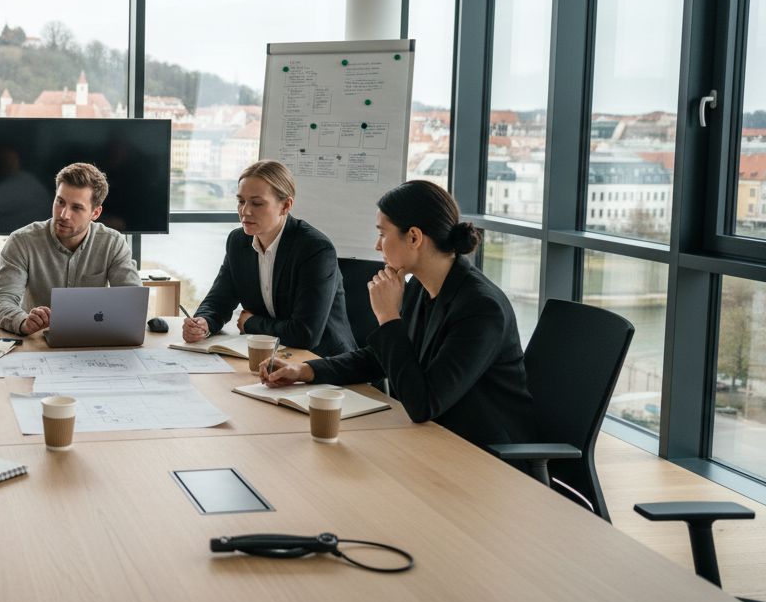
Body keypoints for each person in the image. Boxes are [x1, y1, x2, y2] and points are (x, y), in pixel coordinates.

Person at [260, 180, 534, 449]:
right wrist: (305, 370)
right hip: (433, 439)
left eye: (382, 233)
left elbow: (423, 404)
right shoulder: (420, 288)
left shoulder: (481, 308)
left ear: (414, 237)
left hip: (483, 456)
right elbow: (378, 357)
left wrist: (388, 317)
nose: (377, 246)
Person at [183, 160, 357, 357]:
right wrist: (203, 323)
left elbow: (305, 334)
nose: (245, 211)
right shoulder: (238, 242)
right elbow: (218, 301)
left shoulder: (314, 249)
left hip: (322, 362)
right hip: (268, 357)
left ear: (285, 206)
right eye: (241, 201)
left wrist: (250, 323)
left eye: (257, 203)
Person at [0, 162, 139, 336]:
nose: (64, 214)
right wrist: (22, 321)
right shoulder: (22, 241)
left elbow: (133, 302)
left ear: (95, 213)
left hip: (94, 339)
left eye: (76, 208)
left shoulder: (113, 243)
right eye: (60, 202)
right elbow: (0, 301)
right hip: (37, 341)